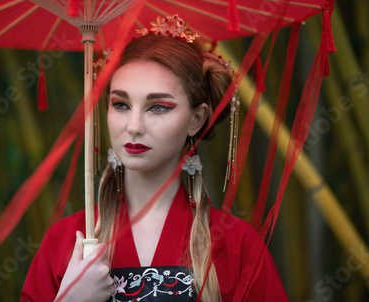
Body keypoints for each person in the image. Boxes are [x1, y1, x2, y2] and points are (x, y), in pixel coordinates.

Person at [21, 16, 289, 302]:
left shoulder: (237, 246)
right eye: (120, 104)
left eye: (158, 107)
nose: (134, 125)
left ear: (196, 119)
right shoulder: (63, 243)